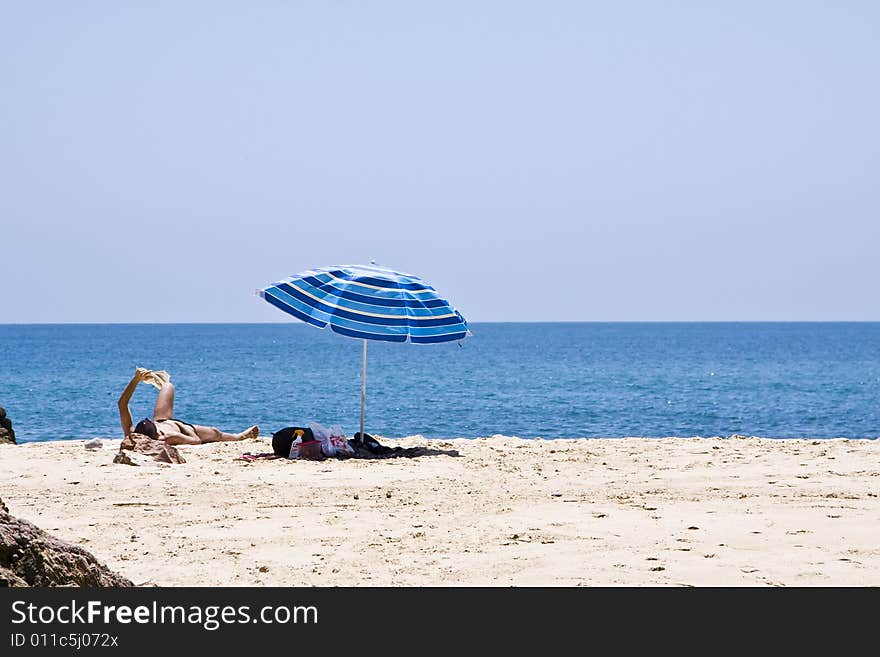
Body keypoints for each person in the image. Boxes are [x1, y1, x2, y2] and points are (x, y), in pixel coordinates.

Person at [118, 368, 259, 445]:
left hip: (162, 419)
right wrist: (184, 429)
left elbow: (122, 404)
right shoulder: (169, 437)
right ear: (158, 436)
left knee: (168, 386)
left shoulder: (132, 434)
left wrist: (136, 380)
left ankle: (154, 379)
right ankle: (240, 437)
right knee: (215, 433)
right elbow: (196, 441)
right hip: (184, 429)